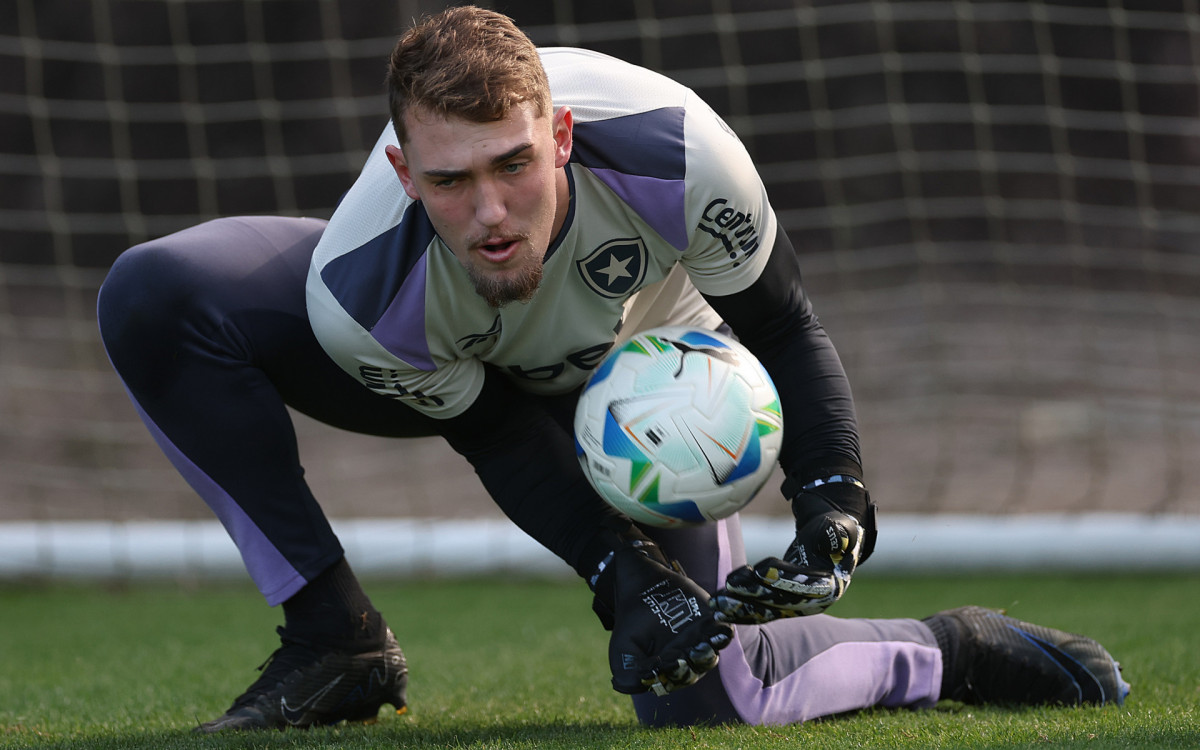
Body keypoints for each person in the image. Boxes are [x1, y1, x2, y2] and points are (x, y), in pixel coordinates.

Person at [96, 6, 1129, 732]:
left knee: (712, 701)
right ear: (404, 174)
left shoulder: (678, 151)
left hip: (650, 389)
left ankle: (956, 645)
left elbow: (784, 322)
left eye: (514, 166)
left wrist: (833, 490)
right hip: (470, 378)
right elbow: (495, 433)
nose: (492, 214)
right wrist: (619, 573)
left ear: (562, 136)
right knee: (157, 296)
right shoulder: (361, 292)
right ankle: (334, 639)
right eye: (451, 183)